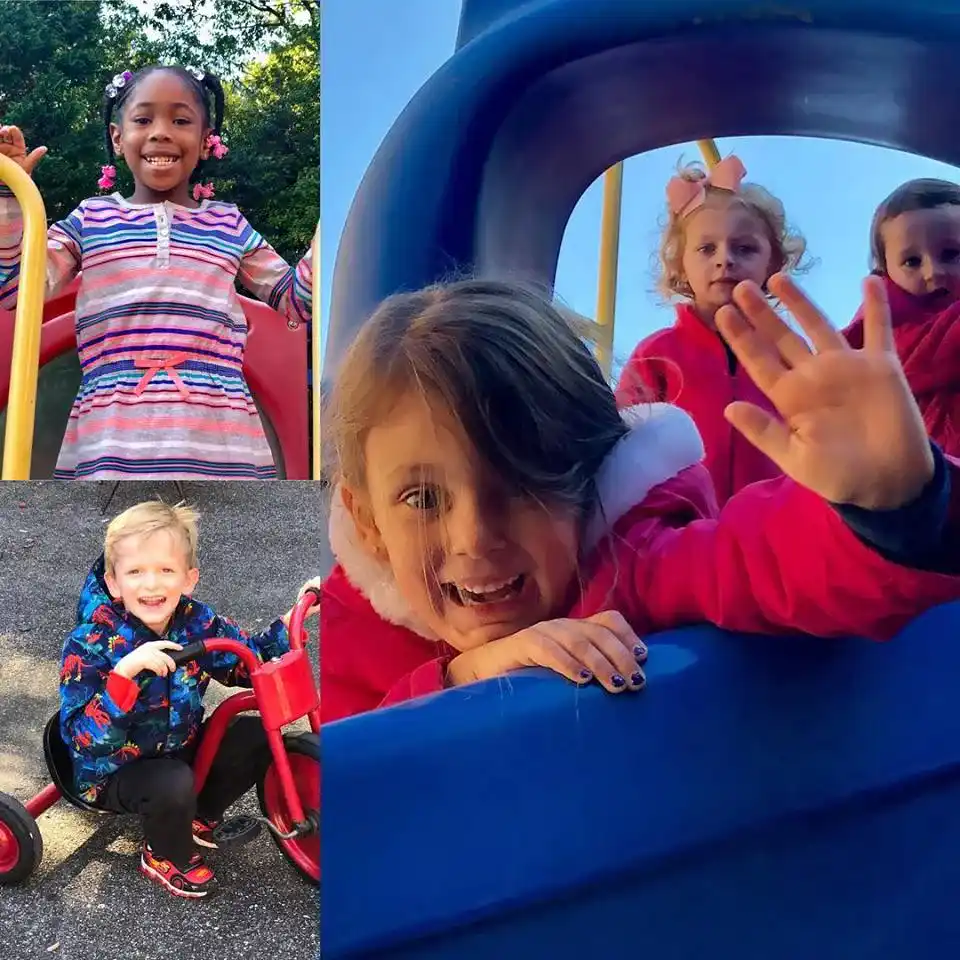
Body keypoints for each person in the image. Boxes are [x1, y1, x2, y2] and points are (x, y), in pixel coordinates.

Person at [320, 275, 960, 725]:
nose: (474, 537)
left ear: (589, 480)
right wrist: (460, 684)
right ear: (369, 523)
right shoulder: (354, 630)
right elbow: (315, 804)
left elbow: (767, 559)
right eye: (423, 497)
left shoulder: (635, 564)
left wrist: (897, 502)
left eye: (518, 482)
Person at [0, 63, 313, 479]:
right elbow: (16, 290)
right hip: (114, 436)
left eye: (180, 120)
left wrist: (323, 242)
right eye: (144, 119)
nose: (161, 131)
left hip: (217, 437)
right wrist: (9, 195)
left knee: (226, 538)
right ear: (118, 137)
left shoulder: (227, 224)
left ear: (205, 142)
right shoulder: (91, 218)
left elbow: (297, 301)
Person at [59, 500, 322, 899]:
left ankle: (197, 816)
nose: (152, 585)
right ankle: (164, 854)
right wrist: (123, 678)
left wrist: (290, 622)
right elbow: (83, 741)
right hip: (113, 769)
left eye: (166, 570)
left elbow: (245, 660)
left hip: (178, 746)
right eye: (136, 572)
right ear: (114, 583)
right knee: (171, 782)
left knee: (253, 731)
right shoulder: (91, 642)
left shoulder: (195, 620)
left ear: (189, 578)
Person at [615, 156, 808, 504]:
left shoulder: (788, 354)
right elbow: (622, 447)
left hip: (774, 526)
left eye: (744, 248)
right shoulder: (657, 354)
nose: (725, 259)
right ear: (681, 266)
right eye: (706, 248)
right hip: (682, 530)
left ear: (773, 262)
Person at [844, 178, 960, 456]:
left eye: (952, 253)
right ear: (886, 272)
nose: (933, 272)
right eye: (912, 261)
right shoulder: (879, 333)